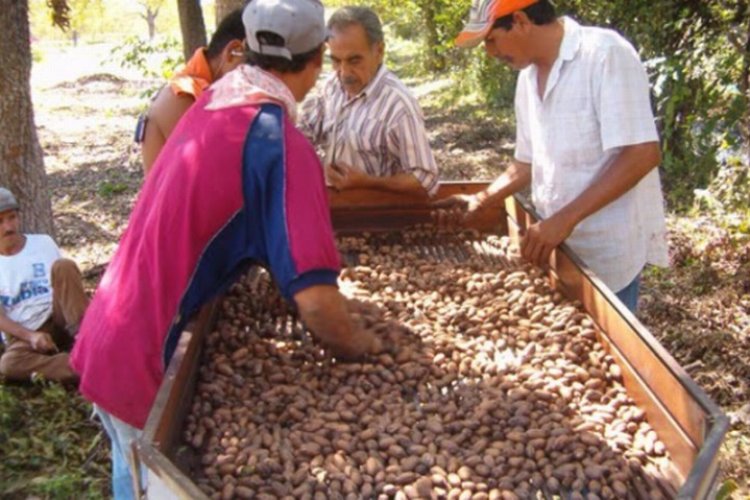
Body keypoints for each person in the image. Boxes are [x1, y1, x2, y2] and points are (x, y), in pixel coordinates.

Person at [71, 1, 380, 498]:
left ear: (247, 48)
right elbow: (318, 304)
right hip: (145, 359)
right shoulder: (276, 141)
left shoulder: (210, 106)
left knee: (130, 480)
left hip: (107, 332)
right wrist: (365, 343)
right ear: (319, 58)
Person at [437, 0, 668, 312]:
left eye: (491, 40)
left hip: (606, 247)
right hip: (555, 245)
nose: (490, 53)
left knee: (611, 334)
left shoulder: (604, 54)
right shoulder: (527, 79)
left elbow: (642, 153)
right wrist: (482, 199)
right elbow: (527, 162)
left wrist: (565, 219)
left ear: (519, 20)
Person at [299, 6, 439, 197]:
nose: (344, 72)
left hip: (377, 217)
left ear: (379, 51)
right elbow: (305, 130)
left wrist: (369, 183)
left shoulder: (398, 106)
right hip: (332, 208)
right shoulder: (332, 86)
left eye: (354, 60)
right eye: (336, 61)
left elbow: (425, 180)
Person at [136, 8, 247, 175]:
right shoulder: (184, 97)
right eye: (261, 68)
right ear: (233, 53)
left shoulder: (207, 90)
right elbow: (219, 181)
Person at [0, 187, 88, 383]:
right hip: (24, 333)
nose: (8, 227)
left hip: (58, 317)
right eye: (0, 221)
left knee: (64, 266)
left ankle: (88, 340)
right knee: (9, 364)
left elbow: (65, 285)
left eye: (12, 218)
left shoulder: (42, 243)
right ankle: (78, 366)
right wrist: (30, 336)